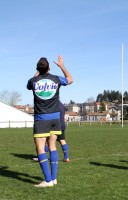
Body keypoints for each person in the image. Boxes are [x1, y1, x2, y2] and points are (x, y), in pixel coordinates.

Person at [27, 55, 73, 187]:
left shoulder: (33, 81)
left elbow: (30, 83)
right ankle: (53, 178)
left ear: (37, 69)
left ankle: (47, 181)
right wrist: (62, 66)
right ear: (49, 68)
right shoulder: (56, 79)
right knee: (52, 146)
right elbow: (70, 79)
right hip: (55, 118)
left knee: (40, 148)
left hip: (41, 118)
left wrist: (38, 71)